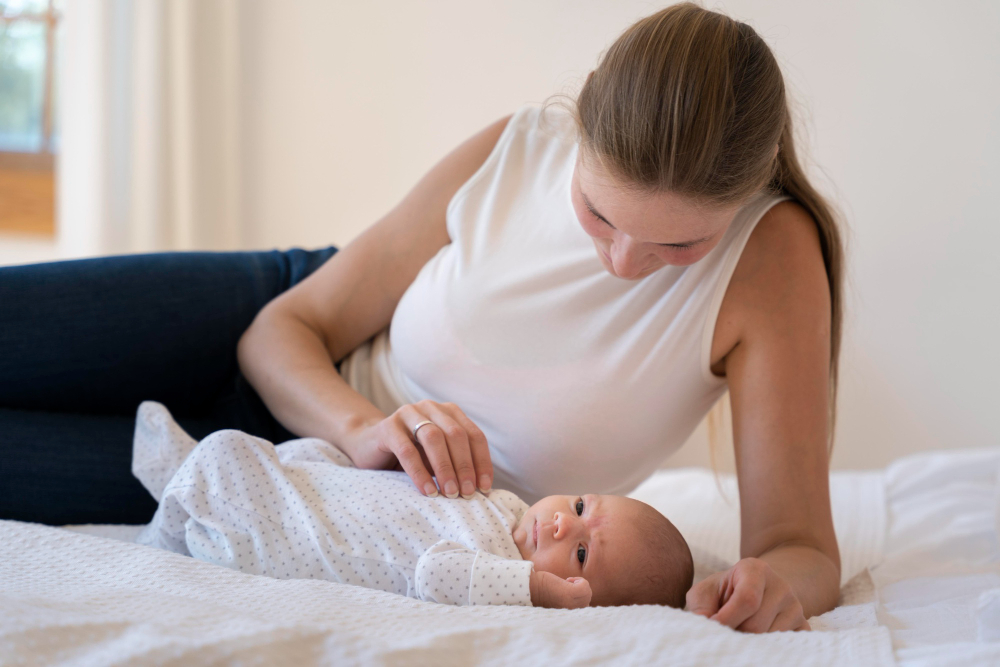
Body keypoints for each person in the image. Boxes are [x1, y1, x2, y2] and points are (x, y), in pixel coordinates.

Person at [0, 3, 841, 633]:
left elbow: (799, 543)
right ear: (579, 126)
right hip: (283, 347)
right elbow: (281, 329)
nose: (622, 261)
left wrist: (778, 585)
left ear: (747, 189)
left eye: (677, 245)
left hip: (310, 497)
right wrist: (367, 426)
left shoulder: (773, 263)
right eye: (598, 213)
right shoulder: (523, 144)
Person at [132, 401, 694, 609]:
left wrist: (534, 588)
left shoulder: (502, 581)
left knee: (230, 456)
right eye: (577, 506)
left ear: (578, 598)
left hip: (303, 536)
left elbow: (436, 572)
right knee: (311, 457)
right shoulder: (507, 509)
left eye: (578, 554)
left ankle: (168, 526)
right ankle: (186, 481)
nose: (559, 522)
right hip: (346, 492)